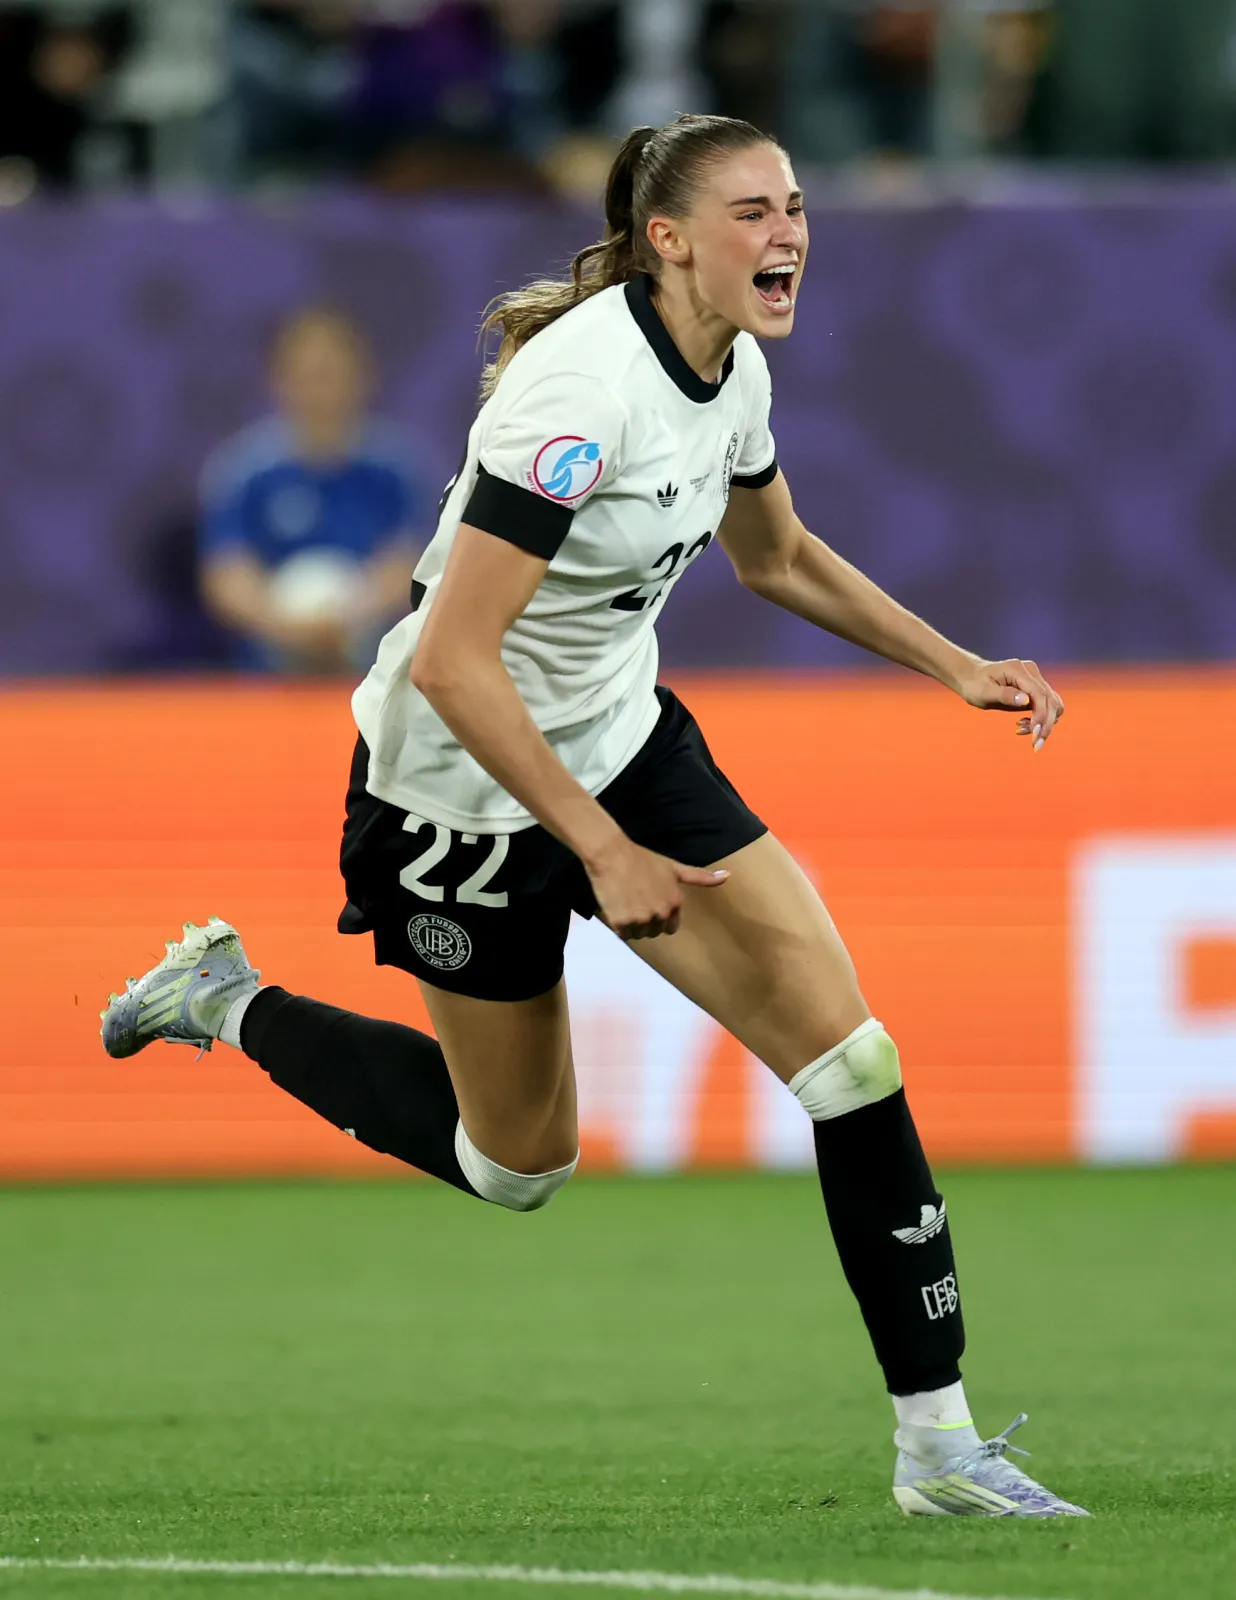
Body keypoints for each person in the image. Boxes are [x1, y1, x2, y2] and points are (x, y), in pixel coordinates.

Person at [103, 113, 1082, 1519]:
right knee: (516, 1166)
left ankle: (940, 1449)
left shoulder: (726, 364)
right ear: (671, 237)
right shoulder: (578, 399)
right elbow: (450, 657)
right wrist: (601, 847)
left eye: (796, 205)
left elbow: (777, 555)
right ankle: (227, 996)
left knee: (850, 1060)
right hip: (455, 789)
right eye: (754, 211)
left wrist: (957, 664)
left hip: (618, 741)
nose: (791, 231)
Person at [199, 307, 423, 675]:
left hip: (370, 676)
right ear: (279, 381)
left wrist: (350, 615)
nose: (319, 391)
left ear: (362, 378)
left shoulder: (395, 469)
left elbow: (409, 562)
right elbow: (226, 573)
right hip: (267, 677)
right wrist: (285, 626)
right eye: (306, 376)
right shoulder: (242, 470)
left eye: (330, 375)